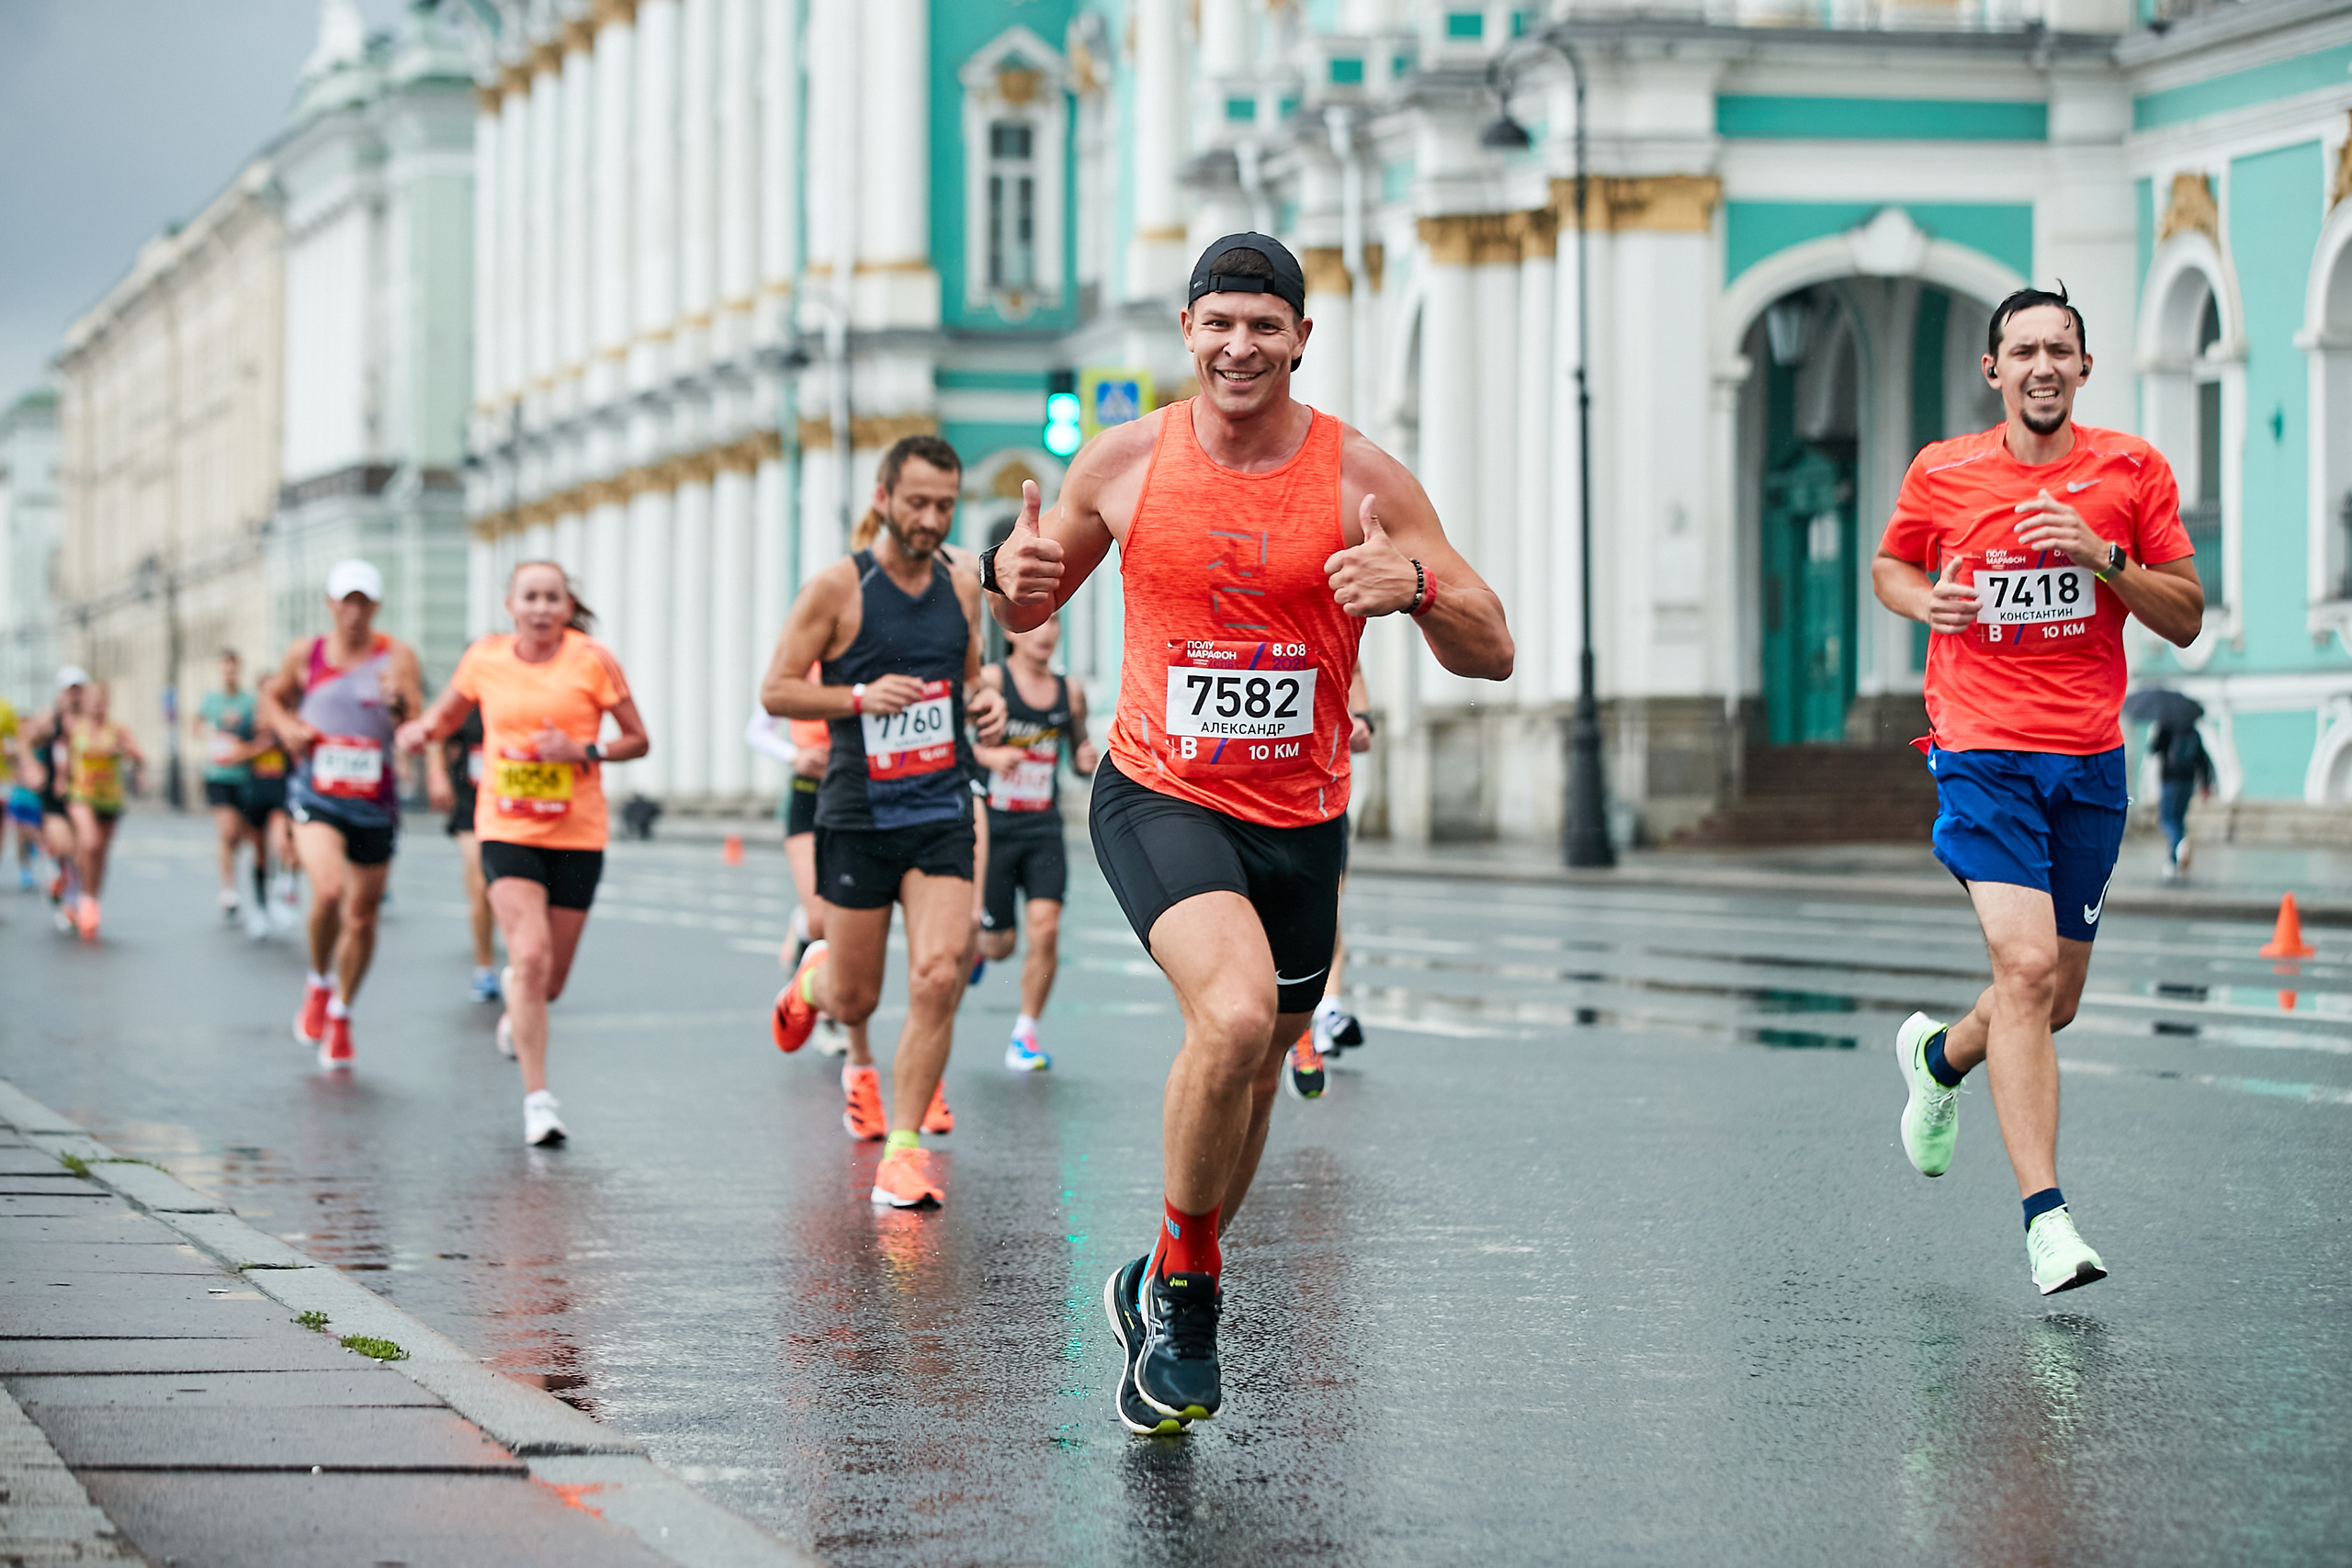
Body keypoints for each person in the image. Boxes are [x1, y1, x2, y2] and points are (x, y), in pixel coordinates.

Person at [985, 233, 1514, 1433]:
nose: (1239, 346)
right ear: (1187, 331)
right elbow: (1026, 600)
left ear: (1301, 339)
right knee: (1228, 1017)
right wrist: (1000, 569)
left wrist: (1418, 592)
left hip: (1302, 818)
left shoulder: (1360, 478)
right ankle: (1185, 1295)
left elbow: (1494, 646)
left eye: (1264, 326)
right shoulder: (1124, 463)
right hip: (1160, 792)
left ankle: (1165, 1267)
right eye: (1218, 323)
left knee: (1260, 1064)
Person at [1871, 284, 2203, 1297]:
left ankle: (1940, 1060)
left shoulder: (2131, 471)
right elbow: (1889, 565)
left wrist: (2103, 558)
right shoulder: (1943, 471)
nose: (2042, 366)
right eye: (2023, 351)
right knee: (2022, 967)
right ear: (1994, 371)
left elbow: (2186, 615)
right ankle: (2046, 1222)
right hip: (1981, 751)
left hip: (2087, 760)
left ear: (2084, 368)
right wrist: (1925, 600)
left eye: (2060, 349)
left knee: (2050, 1001)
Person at [763, 434, 1008, 1207]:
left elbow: (970, 677)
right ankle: (815, 980)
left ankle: (902, 1150)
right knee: (856, 997)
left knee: (939, 972)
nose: (932, 519)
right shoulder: (837, 588)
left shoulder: (961, 584)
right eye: (918, 503)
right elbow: (777, 689)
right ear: (883, 498)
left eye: (945, 505)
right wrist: (860, 698)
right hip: (858, 814)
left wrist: (986, 703)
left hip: (940, 806)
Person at [398, 560, 647, 1145]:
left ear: (567, 607)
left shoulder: (592, 660)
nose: (540, 608)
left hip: (577, 834)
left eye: (551, 598)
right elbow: (447, 715)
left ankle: (521, 1006)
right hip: (505, 827)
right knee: (530, 959)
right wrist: (420, 732)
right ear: (510, 605)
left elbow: (638, 739)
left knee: (548, 984)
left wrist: (583, 750)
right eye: (529, 597)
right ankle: (539, 1103)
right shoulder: (484, 658)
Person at [259, 559, 427, 1069]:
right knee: (329, 891)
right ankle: (318, 981)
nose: (355, 612)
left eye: (364, 602)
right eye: (346, 601)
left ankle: (343, 1010)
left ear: (376, 606)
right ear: (331, 604)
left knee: (363, 916)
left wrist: (398, 706)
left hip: (374, 799)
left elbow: (414, 724)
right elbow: (271, 697)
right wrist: (287, 726)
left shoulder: (397, 656)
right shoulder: (306, 653)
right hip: (318, 793)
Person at [972, 614, 1096, 1071]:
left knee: (1046, 928)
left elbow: (1078, 756)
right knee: (999, 944)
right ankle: (980, 950)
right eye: (1035, 624)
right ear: (1009, 630)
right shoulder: (991, 681)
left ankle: (1025, 1034)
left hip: (1043, 827)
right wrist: (988, 756)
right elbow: (954, 745)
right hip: (994, 829)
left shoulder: (1070, 692)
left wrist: (1085, 759)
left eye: (1054, 623)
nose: (1045, 633)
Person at [1281, 665, 1374, 1100]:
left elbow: (1353, 668)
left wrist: (1363, 718)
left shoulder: (1330, 626)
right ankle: (1286, 1015)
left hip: (1322, 793)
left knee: (1324, 909)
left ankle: (1324, 1011)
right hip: (1246, 795)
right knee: (1264, 916)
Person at [746, 692, 857, 1057]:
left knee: (844, 915)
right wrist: (793, 755)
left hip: (856, 797)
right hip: (809, 794)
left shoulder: (863, 666)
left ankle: (827, 1013)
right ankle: (825, 1017)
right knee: (820, 918)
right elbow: (755, 731)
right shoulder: (800, 673)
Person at [426, 707, 502, 1000]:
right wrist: (437, 776)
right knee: (482, 881)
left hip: (515, 806)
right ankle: (485, 968)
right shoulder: (470, 700)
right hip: (472, 805)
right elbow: (438, 734)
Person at [62, 680, 142, 941]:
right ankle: (79, 894)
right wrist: (60, 779)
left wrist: (124, 752)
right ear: (85, 701)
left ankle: (91, 901)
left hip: (109, 799)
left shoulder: (117, 730)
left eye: (101, 698)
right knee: (90, 843)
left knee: (100, 855)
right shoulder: (75, 727)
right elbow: (64, 757)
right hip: (82, 796)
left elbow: (139, 757)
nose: (97, 703)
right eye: (92, 697)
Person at [198, 650, 266, 933]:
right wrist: (209, 731)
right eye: (225, 669)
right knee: (227, 830)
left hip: (245, 775)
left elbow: (259, 728)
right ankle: (229, 889)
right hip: (219, 775)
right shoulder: (211, 700)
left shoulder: (249, 701)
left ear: (239, 670)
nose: (229, 673)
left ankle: (240, 878)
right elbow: (197, 726)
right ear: (220, 670)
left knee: (242, 835)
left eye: (233, 668)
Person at [20, 667, 90, 926]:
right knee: (65, 848)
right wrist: (32, 766)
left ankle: (70, 902)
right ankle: (59, 880)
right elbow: (25, 741)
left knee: (84, 852)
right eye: (71, 690)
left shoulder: (91, 721)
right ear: (62, 692)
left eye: (80, 689)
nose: (76, 696)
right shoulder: (50, 720)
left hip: (85, 795)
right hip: (54, 795)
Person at [240, 716, 302, 934]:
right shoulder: (248, 727)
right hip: (254, 796)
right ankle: (261, 909)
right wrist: (259, 748)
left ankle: (281, 892)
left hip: (280, 795)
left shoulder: (286, 726)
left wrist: (285, 741)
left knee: (282, 843)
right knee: (260, 854)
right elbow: (233, 755)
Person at [2152, 720, 2213, 879]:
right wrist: (2206, 784)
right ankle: (2175, 856)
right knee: (2179, 819)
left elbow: (2154, 748)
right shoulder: (2193, 733)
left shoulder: (2167, 729)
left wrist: (2160, 734)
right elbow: (2203, 759)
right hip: (2188, 782)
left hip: (2169, 780)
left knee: (2167, 820)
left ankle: (2177, 849)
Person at [1, 694, 40, 892]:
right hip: (17, 793)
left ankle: (27, 865)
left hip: (28, 794)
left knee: (29, 833)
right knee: (22, 831)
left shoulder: (5, 710)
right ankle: (25, 868)